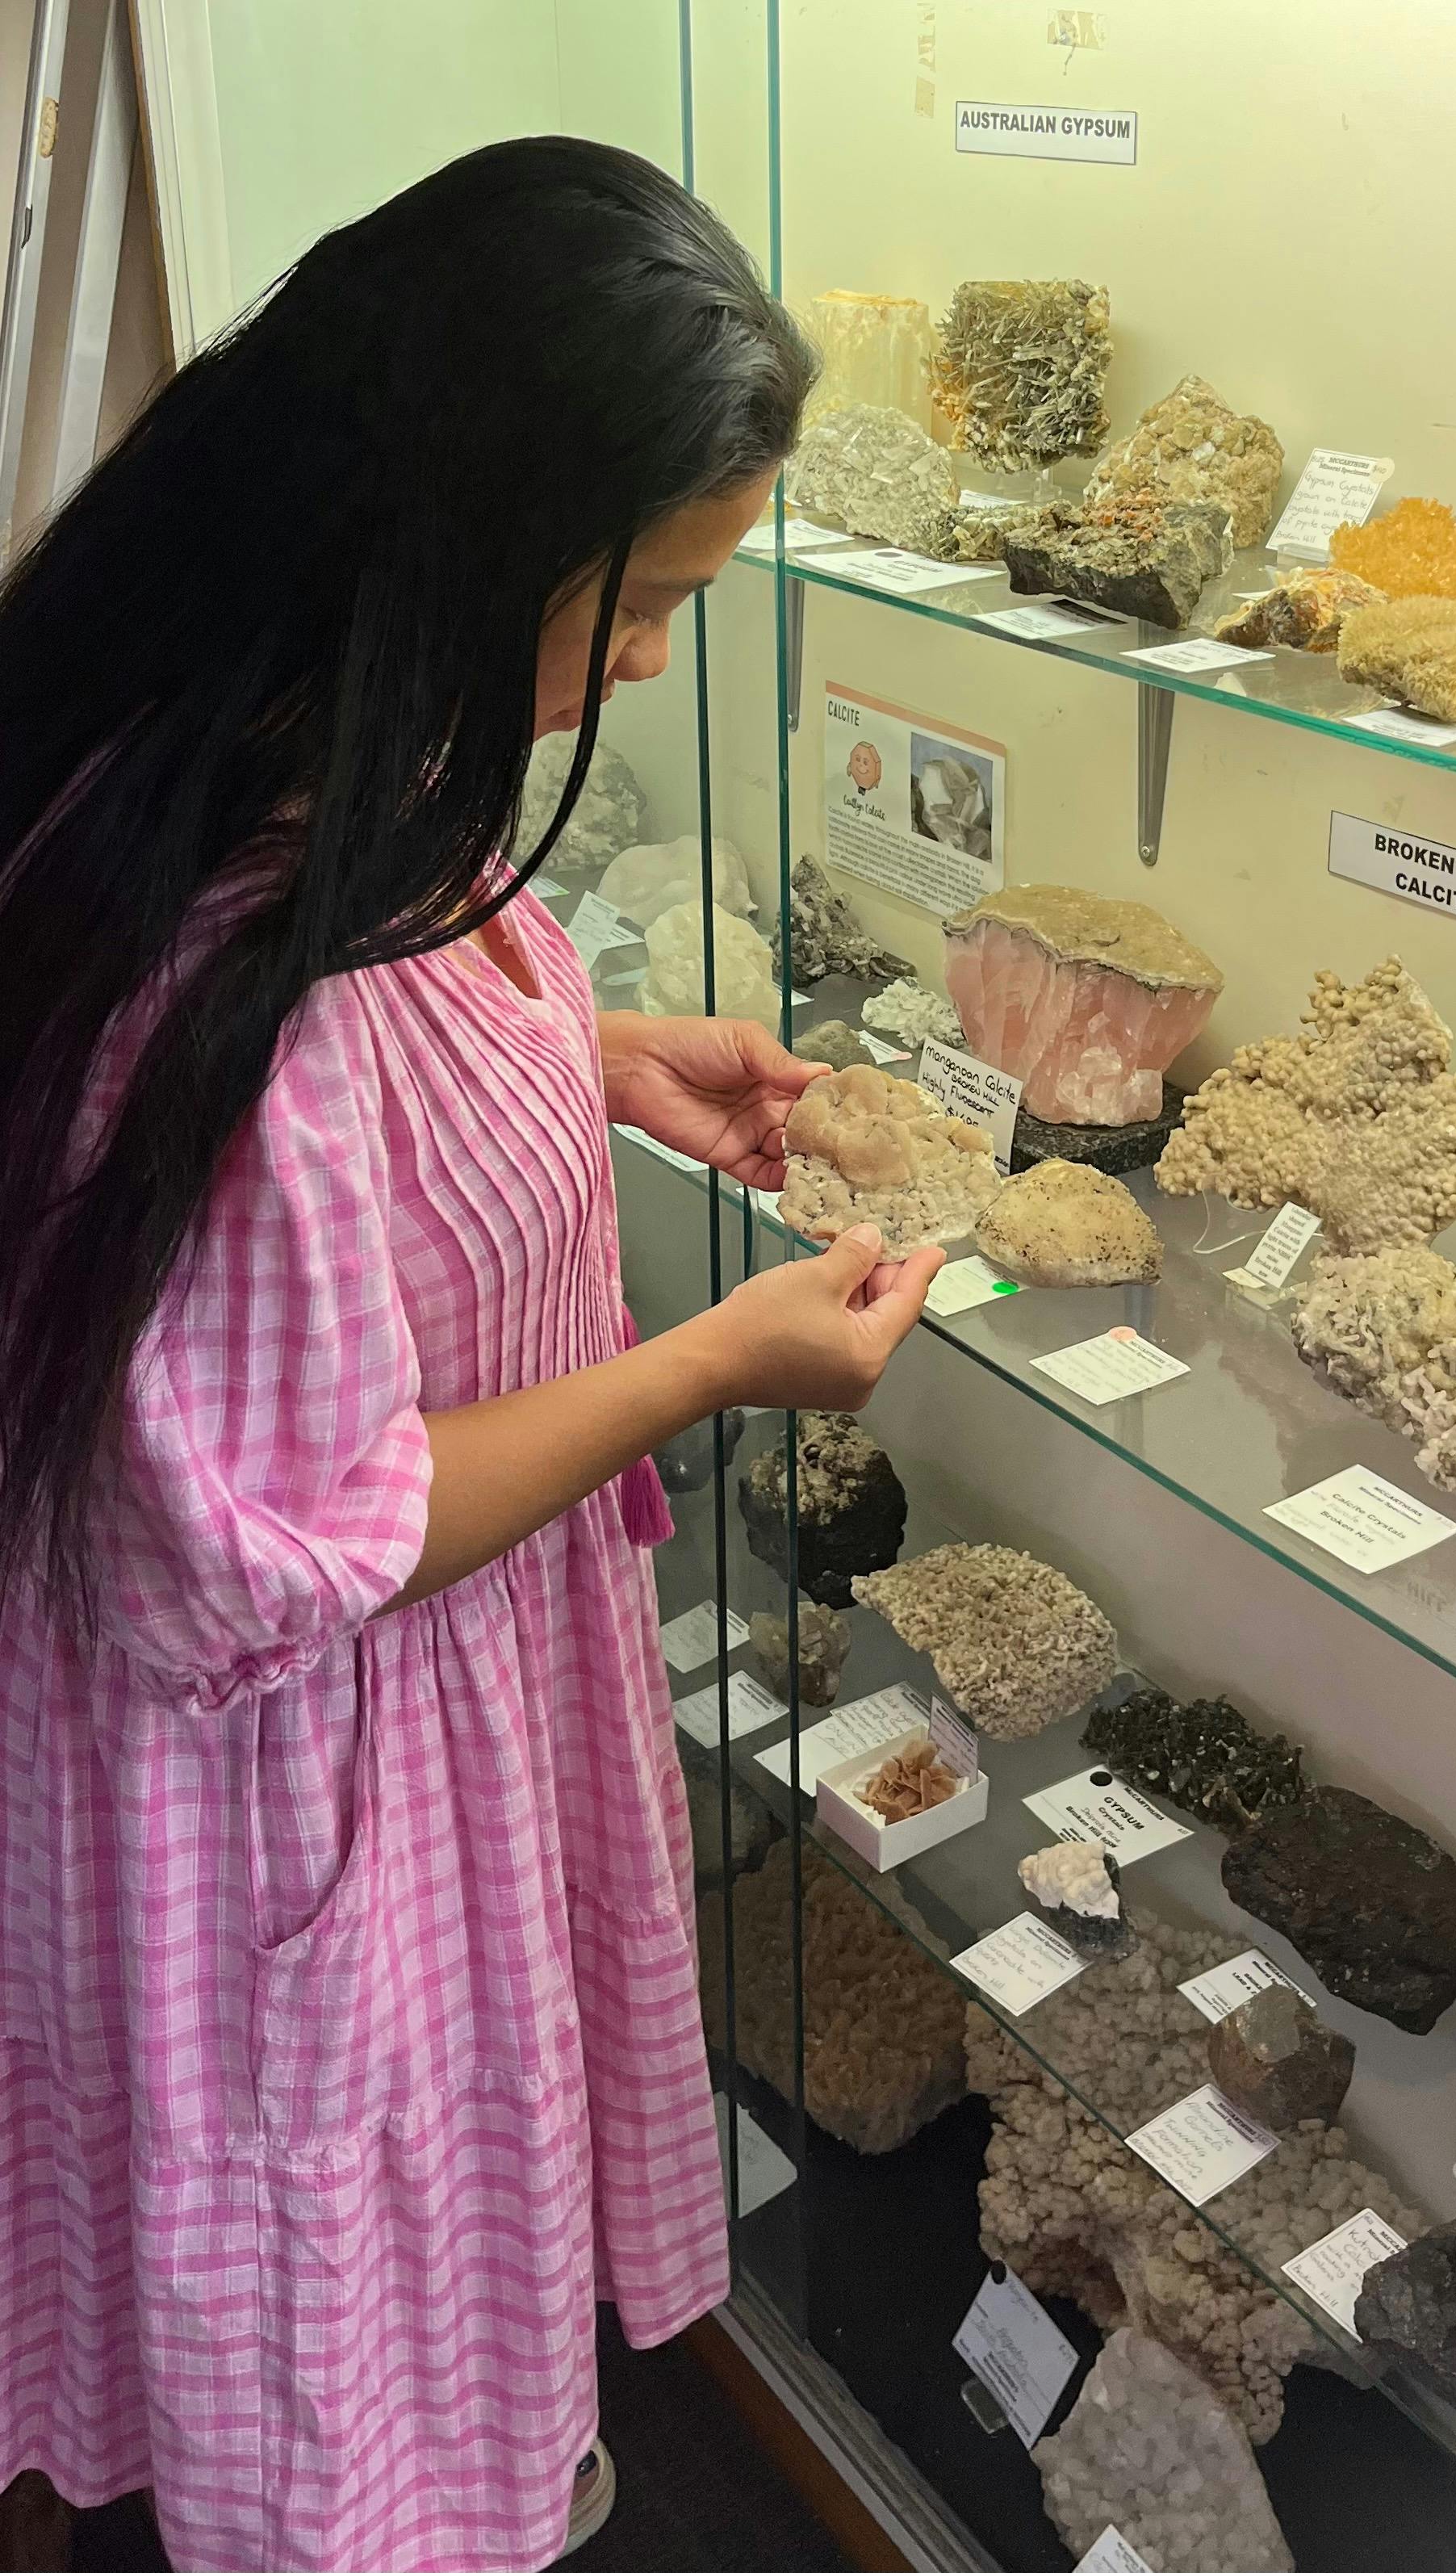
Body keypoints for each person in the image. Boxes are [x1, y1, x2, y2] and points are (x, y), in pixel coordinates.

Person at [0, 138, 942, 2573]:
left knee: (429, 2308)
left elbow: (355, 1091)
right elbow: (285, 1533)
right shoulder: (229, 970)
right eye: (640, 601)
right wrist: (708, 1362)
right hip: (309, 1779)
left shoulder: (298, 763)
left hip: (420, 1737)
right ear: (473, 524)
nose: (646, 663)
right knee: (345, 2355)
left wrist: (587, 1057)